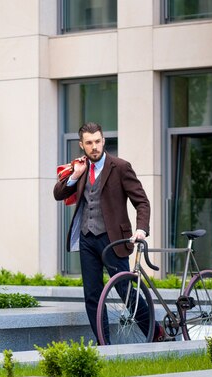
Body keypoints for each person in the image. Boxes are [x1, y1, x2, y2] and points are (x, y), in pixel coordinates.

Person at [53, 121, 168, 344]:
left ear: (103, 141)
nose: (94, 146)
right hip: (87, 239)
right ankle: (103, 343)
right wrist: (75, 175)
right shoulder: (80, 168)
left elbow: (141, 201)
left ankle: (155, 333)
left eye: (97, 141)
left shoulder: (121, 167)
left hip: (113, 239)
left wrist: (141, 229)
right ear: (82, 145)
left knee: (126, 290)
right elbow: (58, 193)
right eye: (89, 143)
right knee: (92, 295)